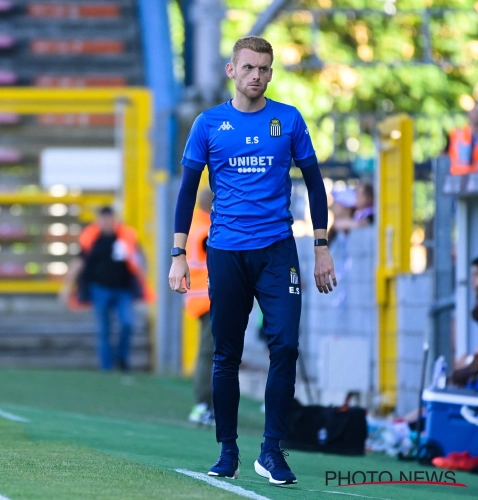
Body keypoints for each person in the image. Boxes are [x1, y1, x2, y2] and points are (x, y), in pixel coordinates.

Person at [168, 36, 336, 485]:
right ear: (232, 71)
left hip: (279, 252)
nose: (256, 76)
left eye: (264, 69)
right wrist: (178, 254)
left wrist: (321, 246)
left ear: (271, 72)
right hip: (226, 252)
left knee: (285, 345)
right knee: (227, 354)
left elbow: (316, 185)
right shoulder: (208, 124)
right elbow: (187, 193)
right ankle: (227, 450)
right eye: (249, 68)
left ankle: (272, 451)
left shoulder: (289, 119)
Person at [60, 207, 153, 371]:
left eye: (109, 218)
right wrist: (67, 287)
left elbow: (139, 260)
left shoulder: (125, 237)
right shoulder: (92, 240)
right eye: (103, 219)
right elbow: (78, 263)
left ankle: (122, 359)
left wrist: (142, 280)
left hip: (123, 289)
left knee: (127, 323)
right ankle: (106, 366)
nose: (106, 222)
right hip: (100, 289)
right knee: (104, 329)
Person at [186, 189, 215, 425]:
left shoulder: (193, 225)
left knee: (209, 352)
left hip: (198, 298)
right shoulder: (207, 231)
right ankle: (204, 404)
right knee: (209, 353)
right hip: (209, 297)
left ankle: (205, 404)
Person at [449, 104, 478, 175]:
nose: (475, 116)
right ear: (468, 116)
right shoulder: (457, 134)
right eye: (474, 113)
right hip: (460, 176)